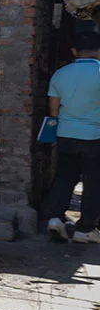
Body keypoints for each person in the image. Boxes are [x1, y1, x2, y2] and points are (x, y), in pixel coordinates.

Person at [45, 29, 100, 244]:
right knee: (93, 182)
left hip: (66, 135)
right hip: (95, 137)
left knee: (64, 177)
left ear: (74, 51)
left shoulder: (60, 74)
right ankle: (85, 229)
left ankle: (56, 218)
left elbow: (54, 111)